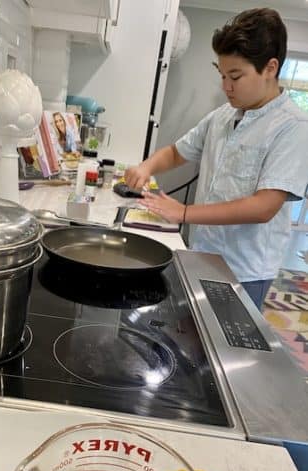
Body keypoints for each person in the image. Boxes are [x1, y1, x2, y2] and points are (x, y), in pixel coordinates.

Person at [125, 8, 308, 310]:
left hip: (244, 271)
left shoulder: (293, 127)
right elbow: (177, 152)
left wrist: (183, 212)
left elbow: (263, 207)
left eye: (235, 76)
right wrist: (146, 166)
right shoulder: (223, 116)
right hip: (202, 252)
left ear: (270, 68)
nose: (226, 86)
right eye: (222, 75)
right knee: (194, 335)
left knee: (225, 350)